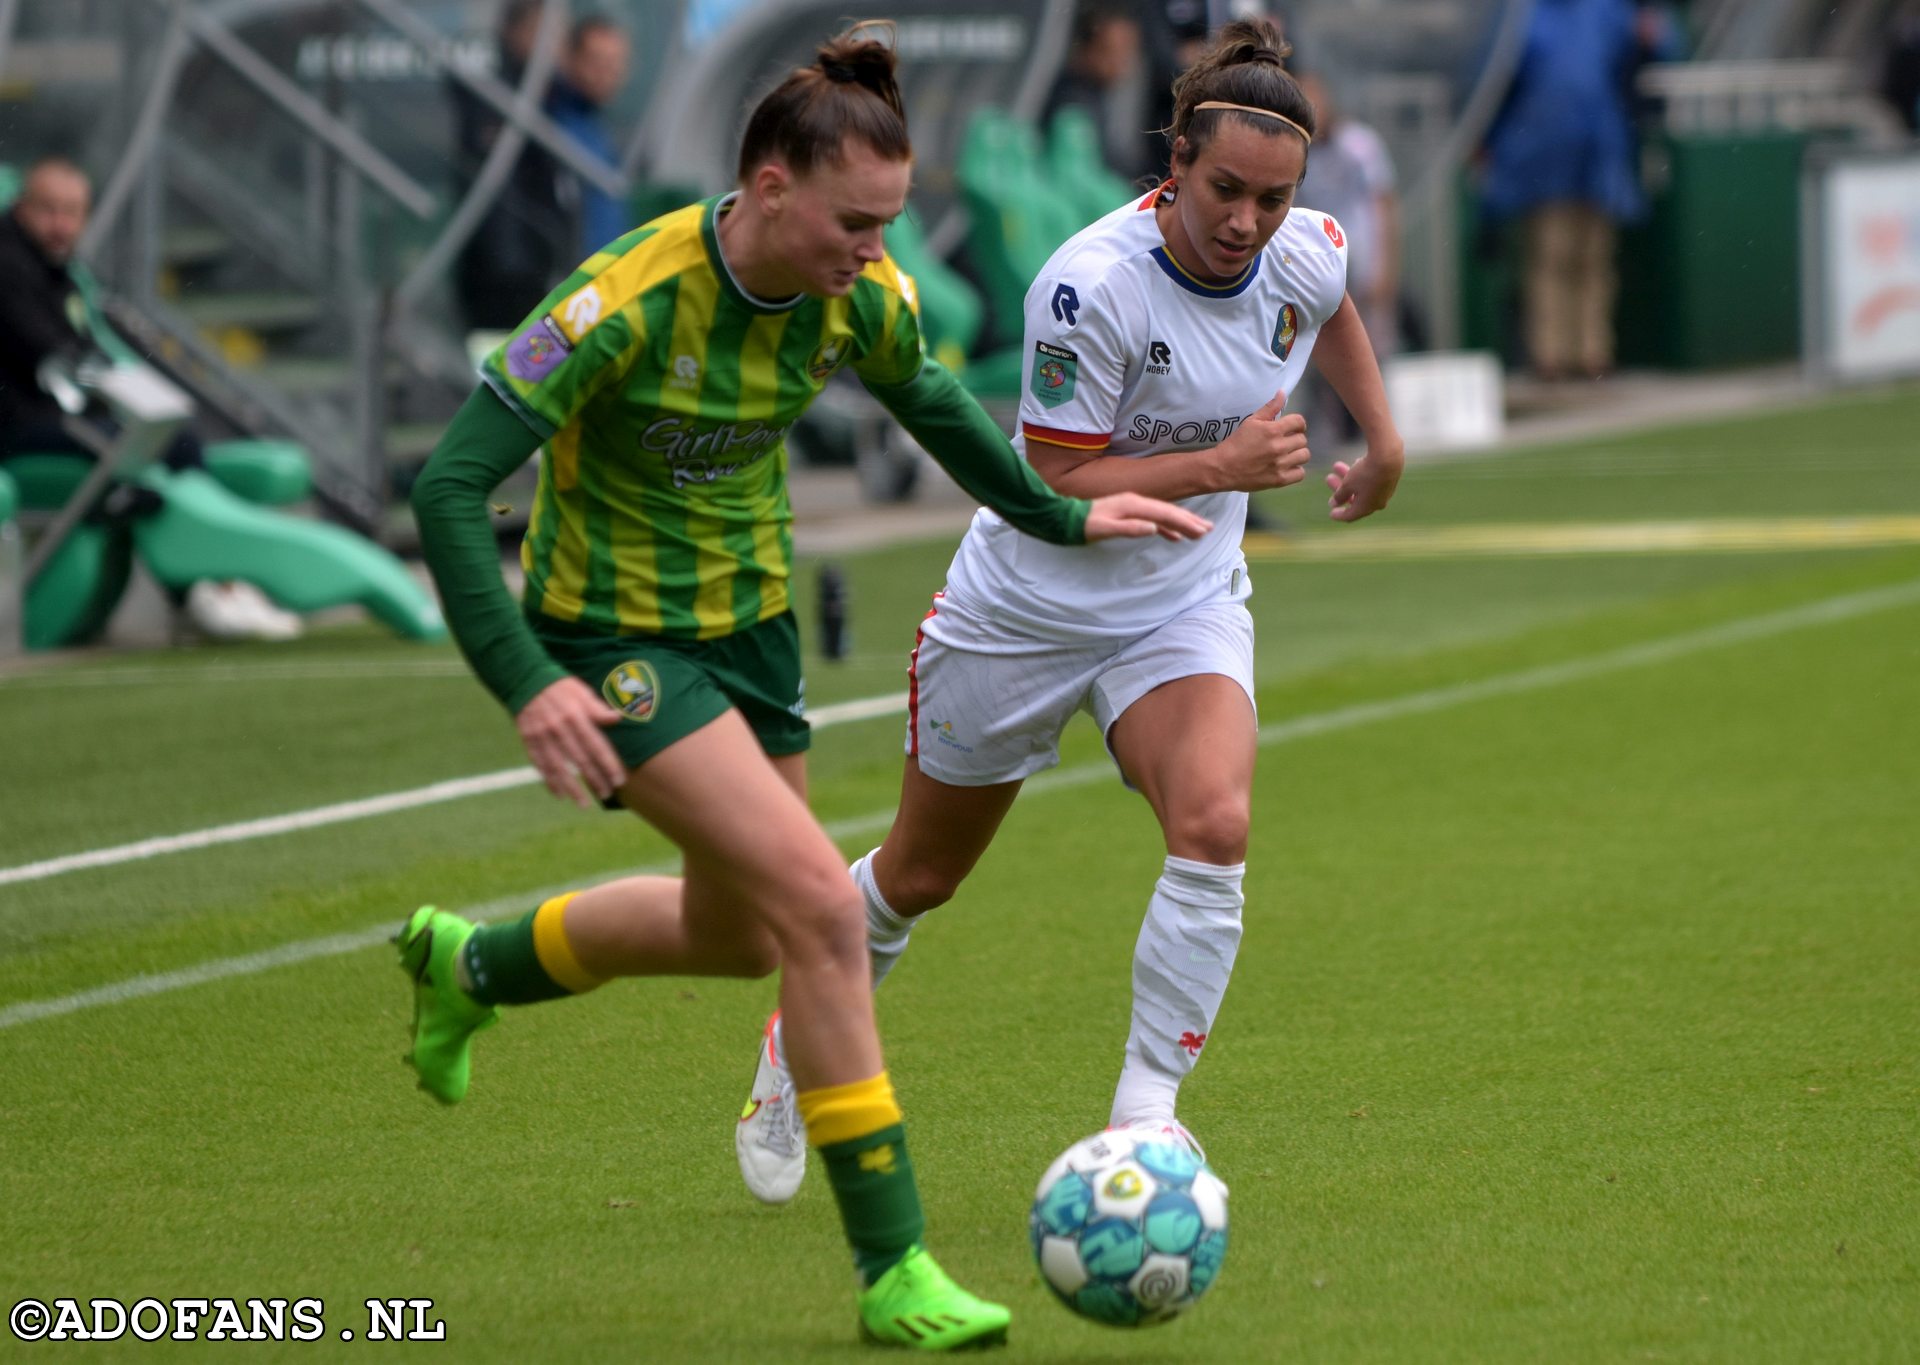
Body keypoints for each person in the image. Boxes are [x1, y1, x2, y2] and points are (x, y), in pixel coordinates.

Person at [399, 23, 1209, 1352]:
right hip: (615, 645)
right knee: (827, 922)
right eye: (855, 222)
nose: (876, 251)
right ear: (770, 185)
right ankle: (897, 1271)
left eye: (888, 223)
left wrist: (1067, 518)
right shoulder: (624, 298)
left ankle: (470, 963)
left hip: (754, 643)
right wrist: (527, 683)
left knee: (744, 935)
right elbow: (444, 483)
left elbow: (943, 409)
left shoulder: (857, 299)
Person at [733, 19, 1402, 1201]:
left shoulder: (1304, 247)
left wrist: (1383, 437)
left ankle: (1146, 1118)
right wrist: (1220, 466)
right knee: (921, 876)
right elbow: (1050, 479)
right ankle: (797, 1043)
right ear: (1176, 166)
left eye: (1274, 199)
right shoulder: (1088, 285)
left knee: (1215, 824)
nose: (1247, 221)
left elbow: (1332, 303)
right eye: (1225, 191)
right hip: (1029, 606)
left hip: (1178, 605)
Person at [0, 157, 300, 641]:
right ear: (21, 208)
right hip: (19, 430)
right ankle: (204, 586)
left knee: (169, 443)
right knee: (169, 448)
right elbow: (51, 354)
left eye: (72, 212)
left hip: (56, 419)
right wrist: (114, 393)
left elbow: (77, 354)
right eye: (48, 211)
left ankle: (214, 580)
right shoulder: (10, 266)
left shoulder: (58, 271)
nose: (60, 225)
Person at [1478, 0, 1644, 382]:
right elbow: (1501, 79)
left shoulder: (1605, 11)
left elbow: (1645, 50)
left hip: (1597, 153)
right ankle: (1550, 355)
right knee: (1550, 256)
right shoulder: (1524, 16)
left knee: (1594, 257)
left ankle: (1592, 353)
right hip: (1542, 155)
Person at [452, 0, 571, 331]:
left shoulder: (547, 95)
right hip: (506, 270)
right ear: (519, 32)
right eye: (550, 33)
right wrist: (513, 266)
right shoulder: (498, 94)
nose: (559, 45)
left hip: (526, 261)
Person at [546, 15, 632, 259]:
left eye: (616, 63)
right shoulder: (555, 121)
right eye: (597, 62)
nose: (607, 74)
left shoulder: (599, 125)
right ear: (570, 59)